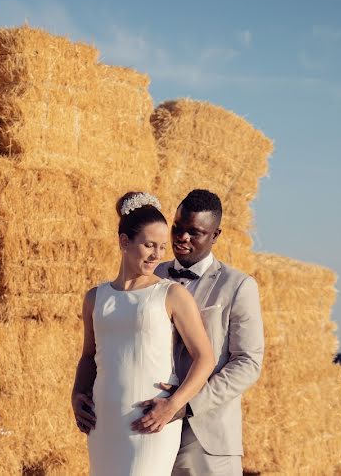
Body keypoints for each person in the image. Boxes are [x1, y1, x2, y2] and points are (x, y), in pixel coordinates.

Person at [72, 192, 215, 476]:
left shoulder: (172, 294)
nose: (158, 255)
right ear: (124, 242)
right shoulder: (95, 298)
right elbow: (89, 356)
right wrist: (76, 393)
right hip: (104, 422)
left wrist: (173, 405)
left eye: (162, 247)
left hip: (150, 421)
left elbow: (205, 358)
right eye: (149, 245)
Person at [133, 189, 264, 476]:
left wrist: (185, 404)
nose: (182, 238)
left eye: (195, 233)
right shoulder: (149, 277)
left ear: (216, 235)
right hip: (145, 425)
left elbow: (248, 363)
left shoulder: (238, 286)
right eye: (178, 228)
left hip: (207, 437)